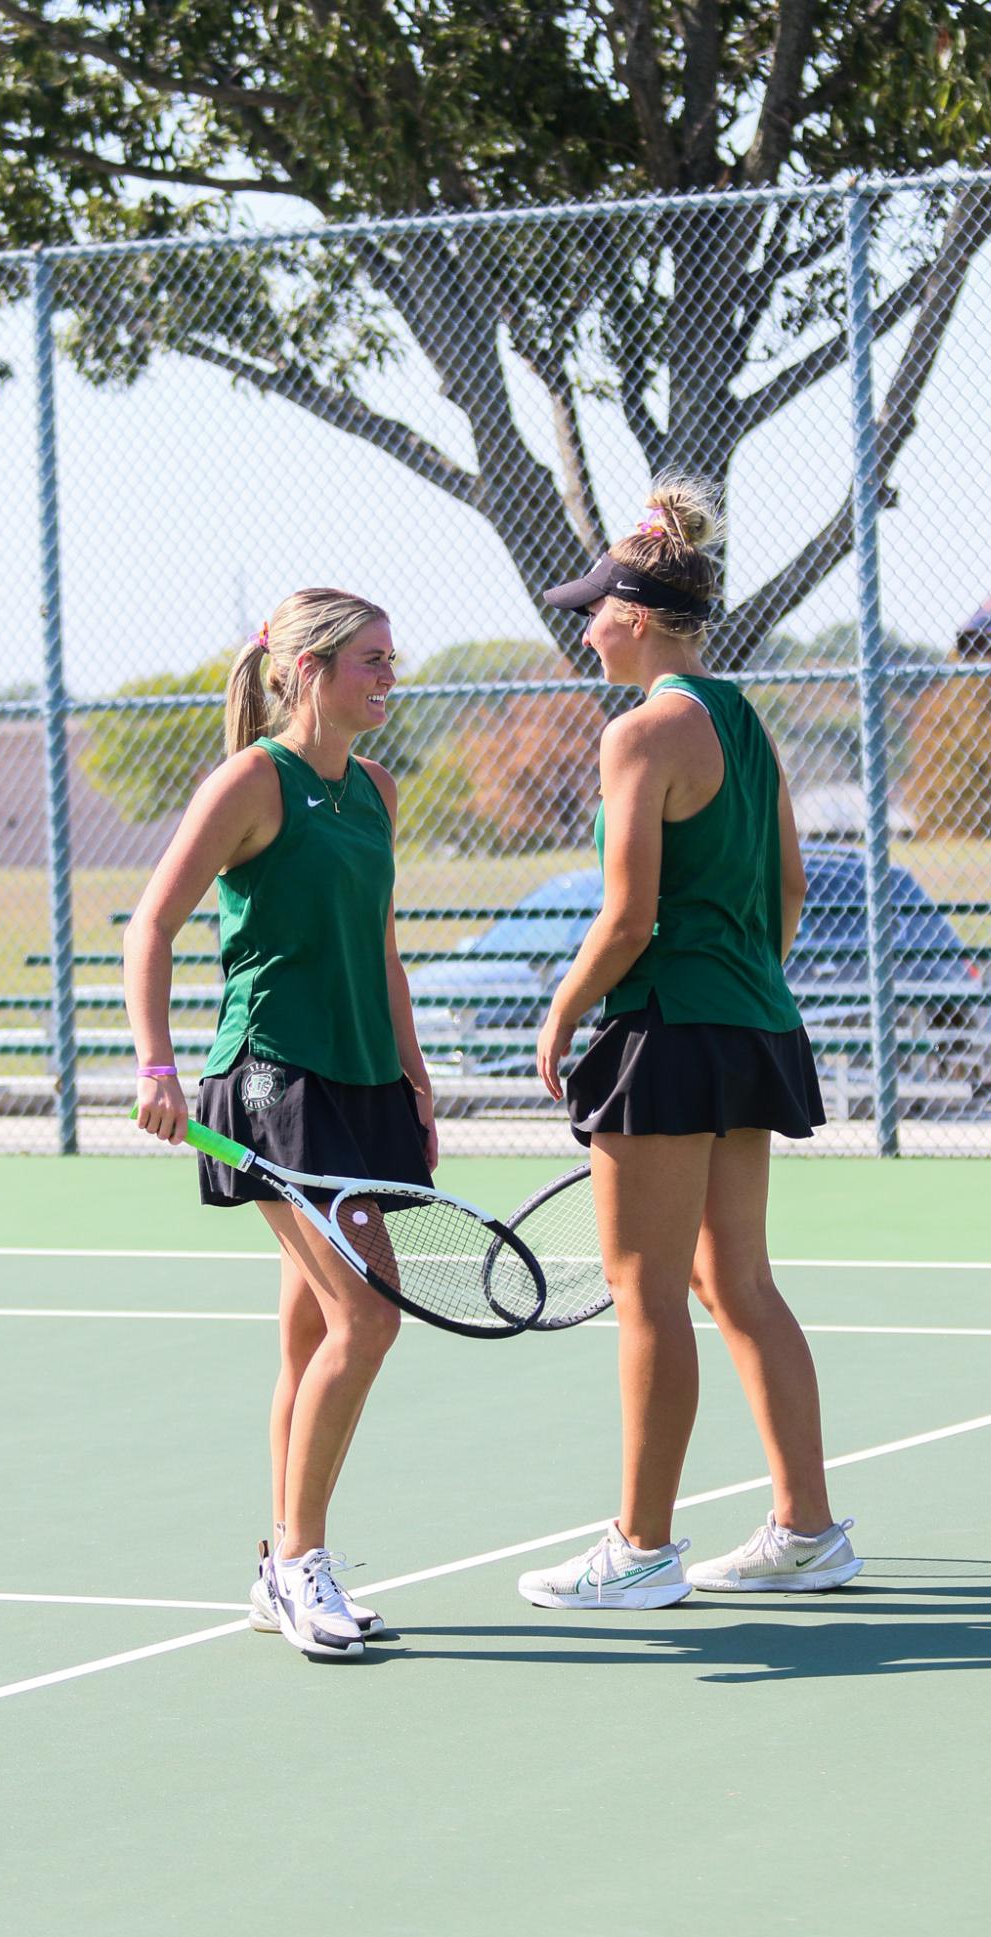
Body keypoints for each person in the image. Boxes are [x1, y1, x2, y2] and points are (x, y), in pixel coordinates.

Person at [516, 481, 862, 1609]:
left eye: (591, 613)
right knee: (737, 1281)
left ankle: (640, 1549)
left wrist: (562, 1011)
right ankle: (806, 1533)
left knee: (647, 1295)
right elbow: (791, 883)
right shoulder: (743, 722)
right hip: (751, 1024)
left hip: (663, 1033)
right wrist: (741, 976)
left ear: (637, 613)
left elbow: (623, 919)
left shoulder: (641, 732)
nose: (581, 630)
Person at [124, 590, 437, 1659]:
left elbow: (382, 948)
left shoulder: (377, 793)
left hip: (360, 1081)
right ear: (303, 671)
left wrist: (413, 1074)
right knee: (368, 1317)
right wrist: (157, 1062)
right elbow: (152, 923)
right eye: (367, 661)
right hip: (271, 1082)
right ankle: (303, 1564)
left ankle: (275, 1567)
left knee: (312, 1331)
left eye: (390, 659)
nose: (387, 678)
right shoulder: (252, 782)